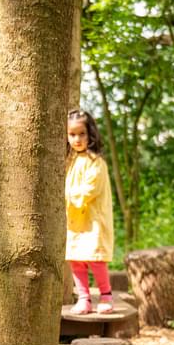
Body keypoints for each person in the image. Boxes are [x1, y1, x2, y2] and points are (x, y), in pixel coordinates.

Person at [65, 109, 114, 315]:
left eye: (81, 134)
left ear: (90, 134)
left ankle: (106, 295)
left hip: (93, 219)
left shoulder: (96, 162)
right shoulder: (71, 160)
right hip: (74, 219)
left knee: (95, 256)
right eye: (72, 134)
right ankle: (84, 298)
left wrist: (64, 196)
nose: (77, 139)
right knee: (76, 258)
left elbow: (88, 191)